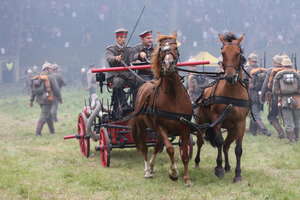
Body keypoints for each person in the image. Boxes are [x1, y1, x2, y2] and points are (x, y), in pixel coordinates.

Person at [105, 28, 139, 119]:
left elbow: (133, 57)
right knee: (118, 82)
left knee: (140, 82)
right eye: (120, 37)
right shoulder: (111, 49)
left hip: (127, 74)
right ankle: (123, 106)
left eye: (124, 38)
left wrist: (139, 56)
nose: (123, 39)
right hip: (115, 75)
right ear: (117, 38)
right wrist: (115, 58)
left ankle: (138, 105)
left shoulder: (129, 49)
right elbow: (109, 58)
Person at [30, 62, 62, 136]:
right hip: (47, 99)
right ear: (47, 69)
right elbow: (56, 89)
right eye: (50, 68)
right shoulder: (50, 77)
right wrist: (59, 98)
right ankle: (38, 132)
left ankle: (52, 132)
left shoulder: (38, 77)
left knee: (48, 116)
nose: (51, 69)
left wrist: (31, 100)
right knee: (44, 115)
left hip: (39, 100)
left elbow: (33, 91)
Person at [273, 58, 300, 142]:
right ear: (291, 65)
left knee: (288, 121)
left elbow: (275, 91)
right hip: (297, 101)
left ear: (283, 66)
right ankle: (297, 138)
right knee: (297, 121)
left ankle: (291, 140)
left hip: (284, 100)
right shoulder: (297, 75)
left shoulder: (278, 75)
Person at [261, 54, 285, 138]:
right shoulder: (289, 69)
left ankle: (281, 133)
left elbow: (265, 85)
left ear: (275, 62)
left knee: (271, 116)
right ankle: (294, 135)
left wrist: (262, 97)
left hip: (275, 98)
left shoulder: (271, 70)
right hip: (289, 97)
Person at [247, 54, 272, 136]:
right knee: (254, 114)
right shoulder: (262, 70)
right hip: (259, 95)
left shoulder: (248, 70)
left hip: (251, 95)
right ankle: (253, 131)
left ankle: (264, 130)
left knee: (255, 115)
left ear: (249, 60)